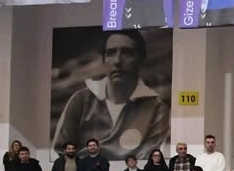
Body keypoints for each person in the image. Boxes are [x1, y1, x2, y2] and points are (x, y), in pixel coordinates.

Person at [52, 31, 169, 161]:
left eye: (127, 53)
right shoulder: (80, 100)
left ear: (140, 60)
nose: (117, 61)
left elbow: (147, 158)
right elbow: (62, 151)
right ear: (103, 60)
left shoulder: (156, 110)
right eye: (111, 53)